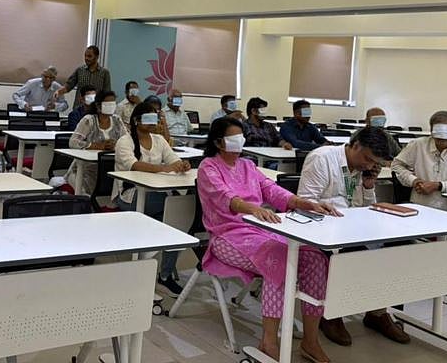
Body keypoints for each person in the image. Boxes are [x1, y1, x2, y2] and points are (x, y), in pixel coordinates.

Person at [197, 116, 339, 361]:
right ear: (219, 142)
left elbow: (272, 190)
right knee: (277, 259)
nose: (239, 141)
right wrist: (252, 209)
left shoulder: (248, 165)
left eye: (240, 136)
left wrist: (303, 203)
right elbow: (225, 197)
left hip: (262, 230)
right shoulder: (208, 167)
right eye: (233, 137)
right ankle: (269, 342)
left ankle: (311, 340)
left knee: (315, 258)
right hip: (227, 235)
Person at [297, 127, 410, 345]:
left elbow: (365, 207)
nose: (368, 165)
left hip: (352, 229)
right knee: (358, 256)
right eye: (367, 158)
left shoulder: (363, 169)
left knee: (398, 248)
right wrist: (326, 209)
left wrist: (368, 186)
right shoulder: (322, 159)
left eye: (374, 163)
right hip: (322, 232)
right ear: (355, 144)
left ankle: (377, 312)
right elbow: (304, 202)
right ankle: (332, 313)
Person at [113, 102, 192, 296]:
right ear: (136, 120)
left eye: (154, 118)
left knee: (181, 214)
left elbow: (173, 159)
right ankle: (157, 271)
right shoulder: (125, 141)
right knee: (177, 210)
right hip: (131, 195)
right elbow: (134, 165)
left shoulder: (159, 140)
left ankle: (164, 274)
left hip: (156, 193)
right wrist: (165, 169)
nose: (152, 123)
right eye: (147, 118)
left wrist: (182, 165)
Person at [391, 110, 447, 211]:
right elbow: (396, 165)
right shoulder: (418, 145)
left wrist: (439, 186)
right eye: (438, 138)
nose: (442, 142)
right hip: (420, 206)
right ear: (431, 131)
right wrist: (413, 180)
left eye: (446, 138)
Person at [64, 90, 127, 193]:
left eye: (113, 103)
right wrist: (96, 145)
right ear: (98, 106)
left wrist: (115, 145)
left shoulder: (117, 120)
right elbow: (73, 142)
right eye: (108, 104)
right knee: (85, 195)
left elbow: (127, 141)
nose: (112, 106)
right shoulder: (89, 120)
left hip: (108, 169)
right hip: (84, 170)